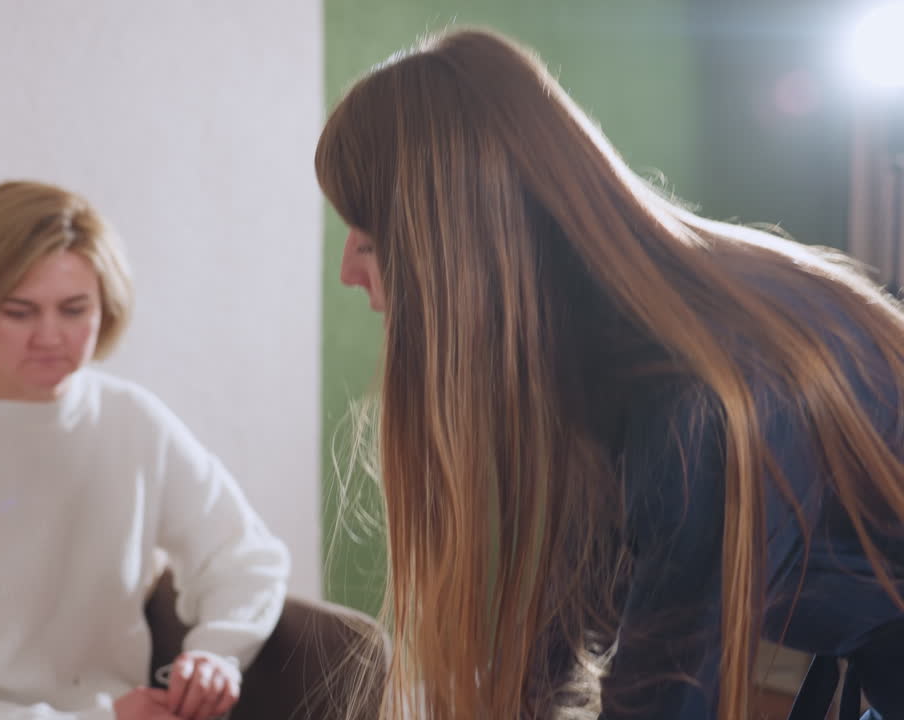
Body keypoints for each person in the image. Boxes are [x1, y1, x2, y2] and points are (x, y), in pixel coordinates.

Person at [315, 27, 904, 720]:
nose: (349, 272)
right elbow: (570, 633)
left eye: (370, 239)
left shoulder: (695, 408)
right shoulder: (614, 362)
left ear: (457, 248)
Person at [0, 181, 290, 720]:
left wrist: (217, 654)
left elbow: (247, 558)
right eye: (19, 311)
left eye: (73, 309)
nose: (50, 336)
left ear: (105, 308)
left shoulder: (133, 423)